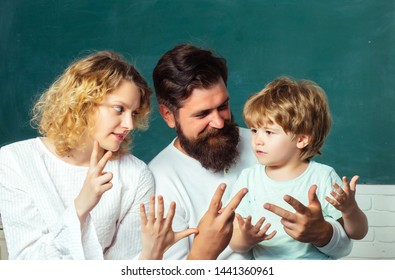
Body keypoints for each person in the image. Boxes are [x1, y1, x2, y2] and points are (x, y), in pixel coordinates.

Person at [149, 43, 354, 260]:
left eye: (223, 106)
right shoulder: (159, 181)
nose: (219, 122)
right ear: (168, 116)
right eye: (202, 114)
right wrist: (203, 253)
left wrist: (324, 234)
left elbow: (343, 247)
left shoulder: (269, 144)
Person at [0, 51, 197, 260]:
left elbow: (123, 267)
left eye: (134, 113)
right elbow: (26, 263)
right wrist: (81, 207)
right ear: (82, 103)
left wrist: (149, 256)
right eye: (119, 109)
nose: (129, 125)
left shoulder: (135, 175)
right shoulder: (14, 161)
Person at [229, 76, 368, 259]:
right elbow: (234, 242)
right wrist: (246, 239)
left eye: (269, 132)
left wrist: (349, 210)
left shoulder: (322, 176)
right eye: (255, 130)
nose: (257, 140)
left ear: (302, 139)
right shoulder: (248, 179)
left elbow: (358, 233)